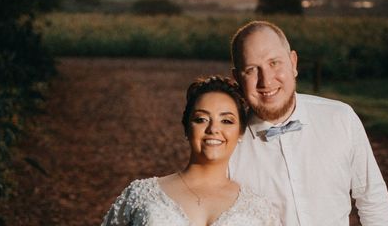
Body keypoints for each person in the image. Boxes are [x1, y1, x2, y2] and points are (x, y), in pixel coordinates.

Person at [228, 21, 388, 226]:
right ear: (237, 78)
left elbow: (373, 201)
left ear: (293, 63)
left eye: (274, 63)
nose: (266, 81)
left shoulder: (341, 118)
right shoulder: (228, 145)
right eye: (252, 69)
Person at [100, 76, 281, 226]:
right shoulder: (140, 194)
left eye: (226, 121)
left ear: (240, 132)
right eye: (201, 119)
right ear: (187, 128)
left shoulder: (259, 210)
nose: (213, 129)